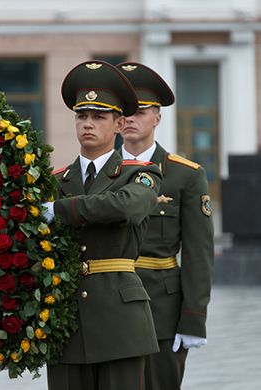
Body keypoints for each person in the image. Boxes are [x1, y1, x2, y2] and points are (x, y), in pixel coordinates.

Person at [43, 60, 162, 390]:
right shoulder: (55, 181)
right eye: (82, 116)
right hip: (66, 320)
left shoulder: (140, 173)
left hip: (119, 320)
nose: (88, 124)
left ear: (120, 123)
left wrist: (60, 210)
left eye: (99, 116)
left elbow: (127, 206)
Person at [117, 61, 214, 390]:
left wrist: (194, 318)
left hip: (160, 310)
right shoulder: (99, 172)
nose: (130, 118)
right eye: (124, 111)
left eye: (140, 110)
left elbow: (199, 253)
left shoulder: (185, 175)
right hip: (106, 310)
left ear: (157, 117)